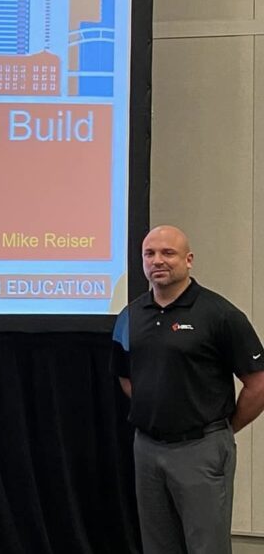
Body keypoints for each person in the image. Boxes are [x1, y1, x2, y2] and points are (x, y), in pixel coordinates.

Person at [112, 225, 264, 554]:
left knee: (207, 546)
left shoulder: (220, 314)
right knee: (158, 546)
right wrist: (157, 412)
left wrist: (223, 430)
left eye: (168, 253)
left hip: (201, 448)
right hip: (147, 449)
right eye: (149, 254)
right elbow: (126, 378)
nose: (158, 260)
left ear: (189, 259)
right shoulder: (129, 316)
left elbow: (258, 383)